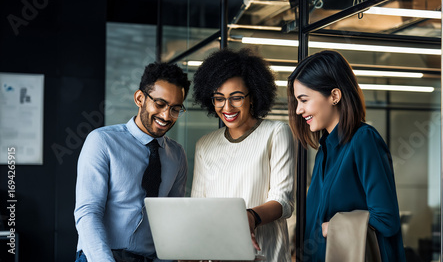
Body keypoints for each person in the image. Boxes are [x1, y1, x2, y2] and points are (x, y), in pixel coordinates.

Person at [287, 50, 406, 262]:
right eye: (297, 102)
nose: (298, 110)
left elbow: (386, 220)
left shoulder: (364, 140)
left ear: (334, 96)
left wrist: (334, 227)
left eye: (304, 100)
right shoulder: (324, 150)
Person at [74, 62, 191, 262]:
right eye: (160, 104)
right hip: (101, 256)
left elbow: (173, 220)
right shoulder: (102, 141)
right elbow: (88, 213)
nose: (166, 115)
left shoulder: (177, 154)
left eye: (175, 109)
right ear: (139, 98)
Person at [191, 48, 295, 261]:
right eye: (218, 98)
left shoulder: (276, 132)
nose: (226, 106)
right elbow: (198, 207)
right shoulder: (204, 145)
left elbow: (283, 201)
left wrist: (249, 217)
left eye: (236, 97)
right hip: (218, 255)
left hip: (265, 254)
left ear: (253, 97)